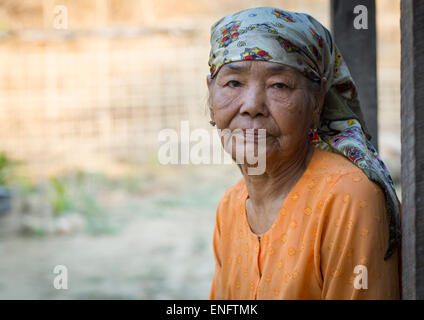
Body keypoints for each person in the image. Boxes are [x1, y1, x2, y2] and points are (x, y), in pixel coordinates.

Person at [206, 7, 401, 300]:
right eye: (234, 82)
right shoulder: (231, 205)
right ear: (210, 93)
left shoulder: (349, 197)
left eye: (278, 85)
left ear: (317, 101)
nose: (252, 105)